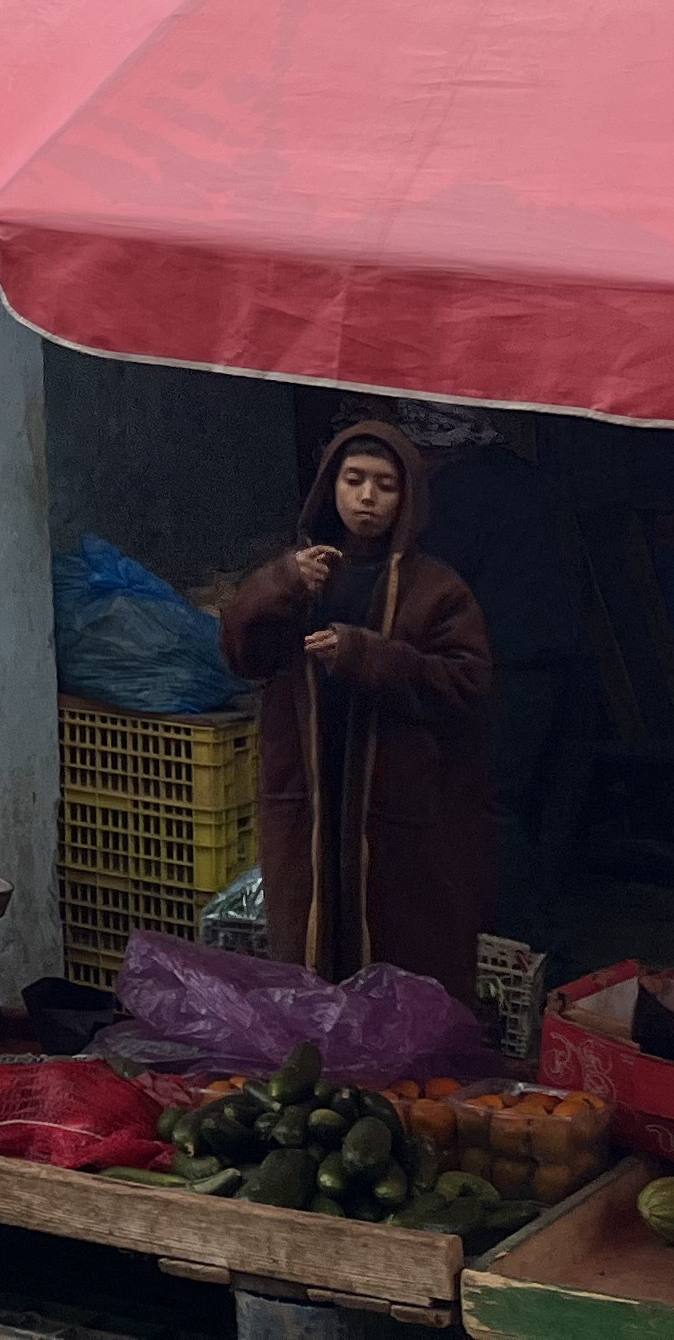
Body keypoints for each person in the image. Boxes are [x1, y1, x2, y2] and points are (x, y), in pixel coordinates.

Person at [219, 419, 497, 1007]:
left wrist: (371, 658)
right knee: (309, 932)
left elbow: (467, 685)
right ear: (331, 488)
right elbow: (244, 653)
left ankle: (399, 1069)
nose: (367, 498)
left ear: (408, 499)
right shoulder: (303, 572)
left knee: (405, 944)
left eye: (385, 485)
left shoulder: (437, 589)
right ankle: (318, 1060)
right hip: (310, 792)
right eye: (353, 481)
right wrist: (279, 585)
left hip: (400, 801)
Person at [379, 400, 595, 953]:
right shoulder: (515, 470)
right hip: (549, 658)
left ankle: (523, 945)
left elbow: (434, 588)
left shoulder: (457, 492)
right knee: (521, 801)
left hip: (507, 664)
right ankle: (531, 940)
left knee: (488, 802)